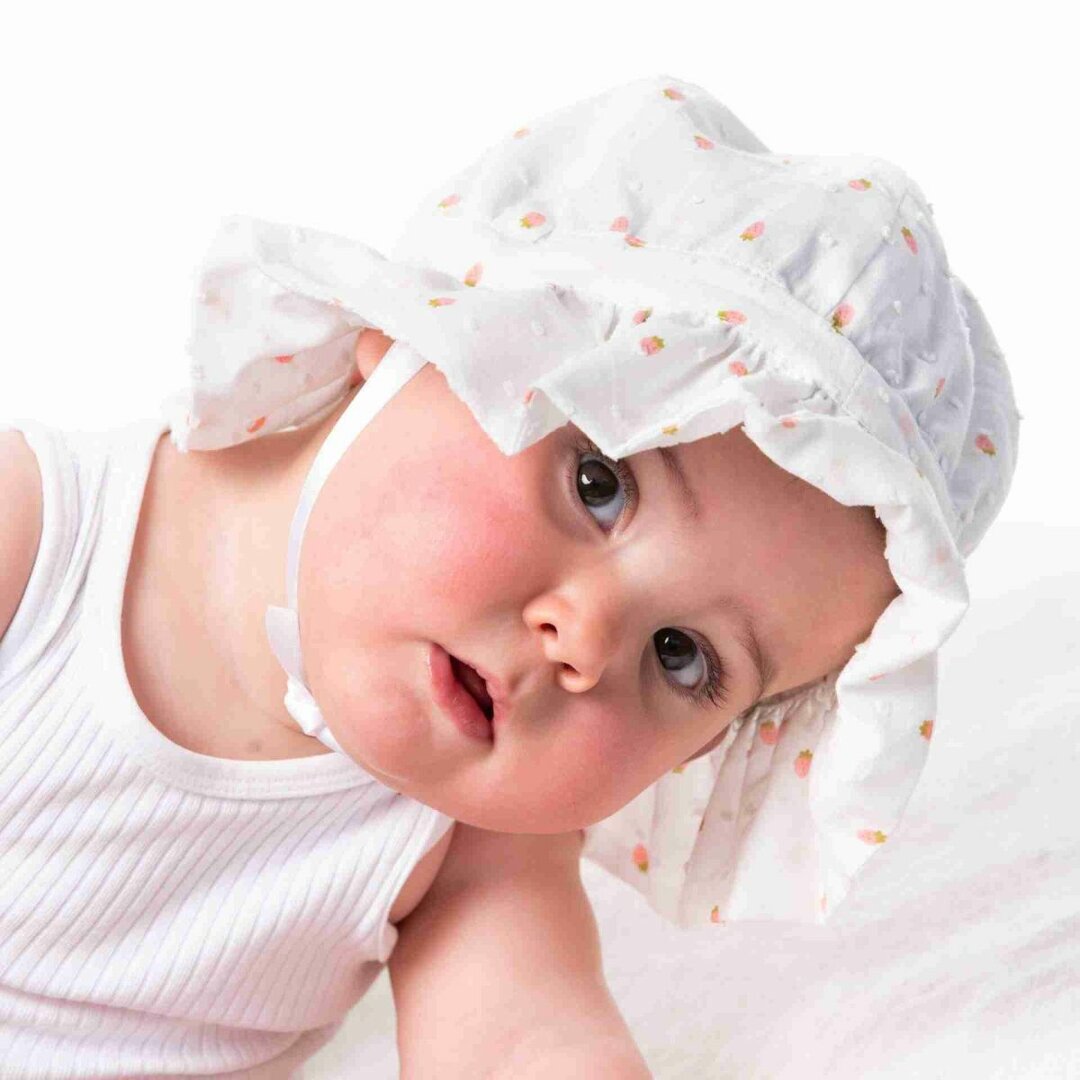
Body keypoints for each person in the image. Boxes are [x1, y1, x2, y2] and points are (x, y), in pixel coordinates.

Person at [0, 73, 1018, 1078]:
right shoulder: (40, 537)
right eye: (599, 483)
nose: (588, 640)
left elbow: (519, 1037)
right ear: (425, 337)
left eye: (682, 656)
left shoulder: (469, 846)